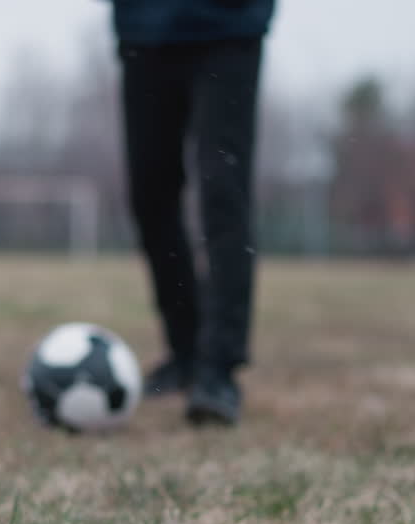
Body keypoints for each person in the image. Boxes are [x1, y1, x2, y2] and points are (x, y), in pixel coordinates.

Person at [109, 0, 274, 426]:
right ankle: (184, 352)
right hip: (143, 31)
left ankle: (218, 370)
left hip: (227, 27)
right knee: (150, 197)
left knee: (223, 193)